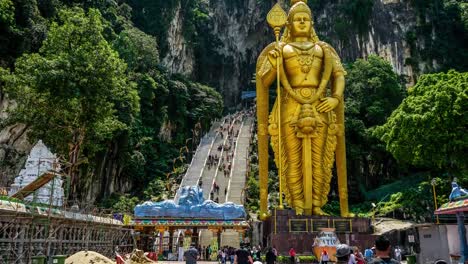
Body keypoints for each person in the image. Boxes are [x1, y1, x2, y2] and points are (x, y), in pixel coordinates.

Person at [256, 0, 349, 217]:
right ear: (288, 23)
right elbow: (265, 79)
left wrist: (335, 98)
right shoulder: (282, 48)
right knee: (292, 158)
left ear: (312, 23)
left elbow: (339, 75)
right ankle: (297, 203)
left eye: (305, 19)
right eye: (297, 19)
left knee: (319, 159)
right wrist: (274, 62)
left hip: (320, 104)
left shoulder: (323, 49)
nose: (301, 22)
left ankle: (317, 203)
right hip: (291, 105)